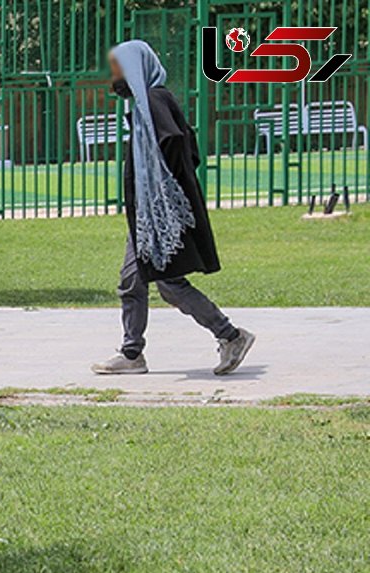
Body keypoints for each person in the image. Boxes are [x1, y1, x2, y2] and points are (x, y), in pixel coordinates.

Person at [92, 40, 255, 376]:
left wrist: (164, 193)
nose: (113, 75)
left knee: (168, 284)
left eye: (118, 67)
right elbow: (188, 146)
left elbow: (177, 143)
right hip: (148, 215)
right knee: (132, 282)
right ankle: (132, 354)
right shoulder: (143, 105)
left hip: (160, 213)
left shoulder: (153, 100)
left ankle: (230, 335)